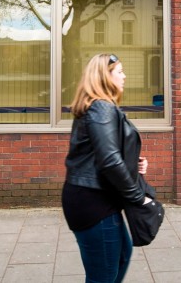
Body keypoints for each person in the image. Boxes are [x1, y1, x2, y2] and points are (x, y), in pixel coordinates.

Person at [62, 53, 150, 283]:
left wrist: (133, 162)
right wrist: (137, 197)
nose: (125, 76)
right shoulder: (101, 108)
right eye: (119, 71)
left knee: (121, 256)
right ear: (104, 76)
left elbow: (102, 151)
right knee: (102, 276)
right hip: (94, 200)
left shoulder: (98, 107)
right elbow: (109, 160)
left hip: (94, 196)